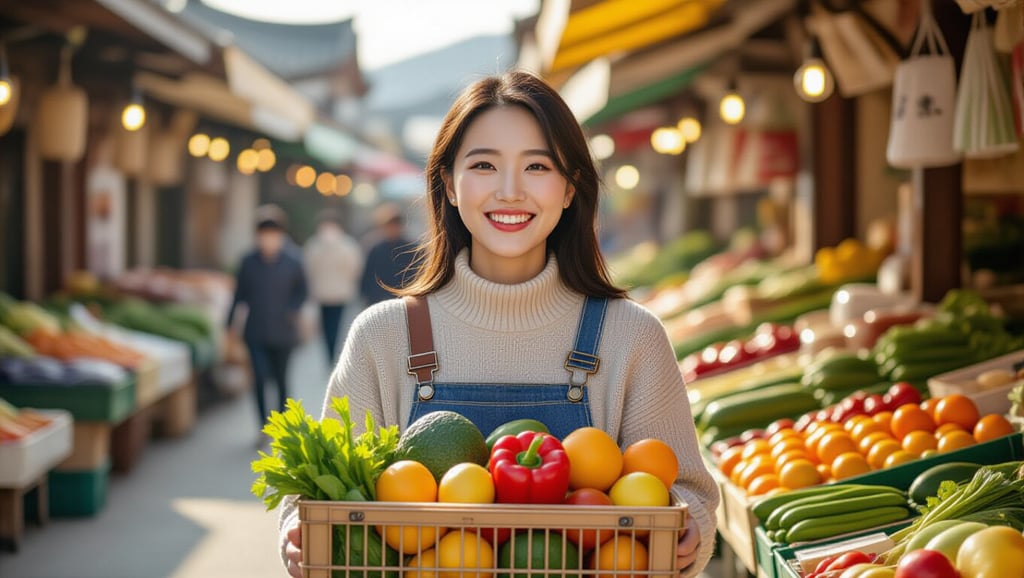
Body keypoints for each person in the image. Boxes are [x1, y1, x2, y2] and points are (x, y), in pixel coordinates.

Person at [277, 71, 719, 577]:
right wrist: (299, 533)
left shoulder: (632, 337)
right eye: (484, 164)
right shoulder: (382, 338)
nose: (510, 191)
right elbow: (317, 492)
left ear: (571, 186)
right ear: (449, 183)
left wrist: (691, 529)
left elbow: (687, 490)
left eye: (537, 166)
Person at [226, 206, 308, 437]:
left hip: (284, 332)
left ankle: (282, 425)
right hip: (256, 332)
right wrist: (229, 325)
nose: (269, 240)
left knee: (281, 380)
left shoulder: (293, 260)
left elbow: (302, 291)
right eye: (264, 235)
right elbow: (238, 295)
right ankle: (263, 425)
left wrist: (293, 309)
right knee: (259, 378)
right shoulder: (248, 262)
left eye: (273, 234)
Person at [303, 208, 364, 364]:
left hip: (340, 293)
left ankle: (335, 354)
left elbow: (354, 267)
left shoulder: (347, 244)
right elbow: (309, 267)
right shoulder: (314, 244)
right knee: (324, 328)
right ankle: (328, 355)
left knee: (337, 327)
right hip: (321, 293)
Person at [359, 203, 416, 305]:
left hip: (403, 300)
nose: (392, 229)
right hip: (379, 300)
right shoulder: (376, 248)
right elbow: (368, 275)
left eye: (395, 225)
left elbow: (415, 275)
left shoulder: (411, 249)